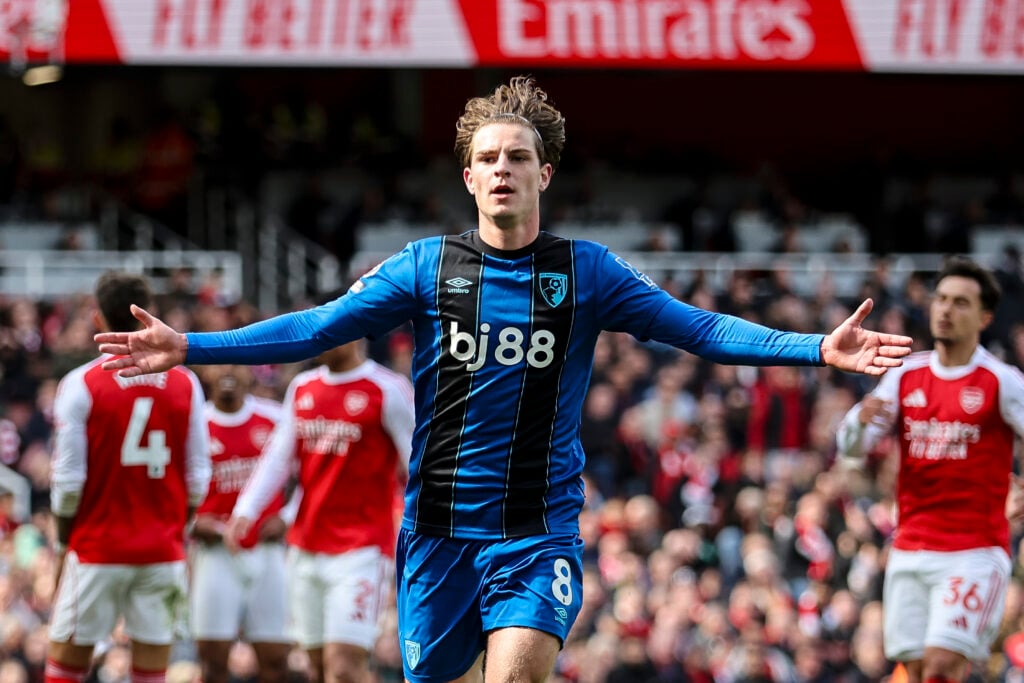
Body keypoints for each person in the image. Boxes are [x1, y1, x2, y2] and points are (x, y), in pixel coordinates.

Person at [95, 76, 912, 683]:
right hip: (437, 536)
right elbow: (314, 327)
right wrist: (190, 344)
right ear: (468, 177)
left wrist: (815, 347)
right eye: (487, 158)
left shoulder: (586, 273)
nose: (502, 170)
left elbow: (700, 329)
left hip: (535, 531)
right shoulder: (425, 267)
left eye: (518, 157)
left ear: (544, 173)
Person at [836, 256, 1024, 683]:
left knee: (941, 666)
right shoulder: (906, 373)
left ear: (984, 316)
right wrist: (858, 424)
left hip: (974, 552)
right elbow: (851, 447)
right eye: (941, 299)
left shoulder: (1002, 380)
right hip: (910, 548)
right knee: (916, 671)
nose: (945, 309)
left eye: (960, 302)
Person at [47, 272, 210, 683]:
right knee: (151, 671)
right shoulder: (185, 384)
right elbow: (198, 478)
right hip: (161, 550)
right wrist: (178, 527)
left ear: (97, 318)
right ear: (145, 316)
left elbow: (68, 484)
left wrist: (66, 539)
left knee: (64, 668)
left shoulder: (79, 384)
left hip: (97, 547)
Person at [225, 338, 414, 683]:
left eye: (331, 332)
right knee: (317, 668)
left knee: (343, 667)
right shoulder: (302, 387)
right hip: (306, 544)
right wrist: (246, 510)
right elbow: (279, 456)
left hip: (362, 549)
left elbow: (417, 462)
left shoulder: (387, 388)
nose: (320, 340)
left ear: (354, 334)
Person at [190, 364, 291, 683]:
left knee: (275, 660)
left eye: (238, 363)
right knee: (212, 660)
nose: (228, 372)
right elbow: (171, 485)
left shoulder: (275, 417)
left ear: (253, 373)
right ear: (207, 373)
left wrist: (288, 518)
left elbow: (310, 471)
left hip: (266, 549)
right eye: (220, 364)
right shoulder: (193, 424)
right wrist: (190, 521)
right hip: (215, 553)